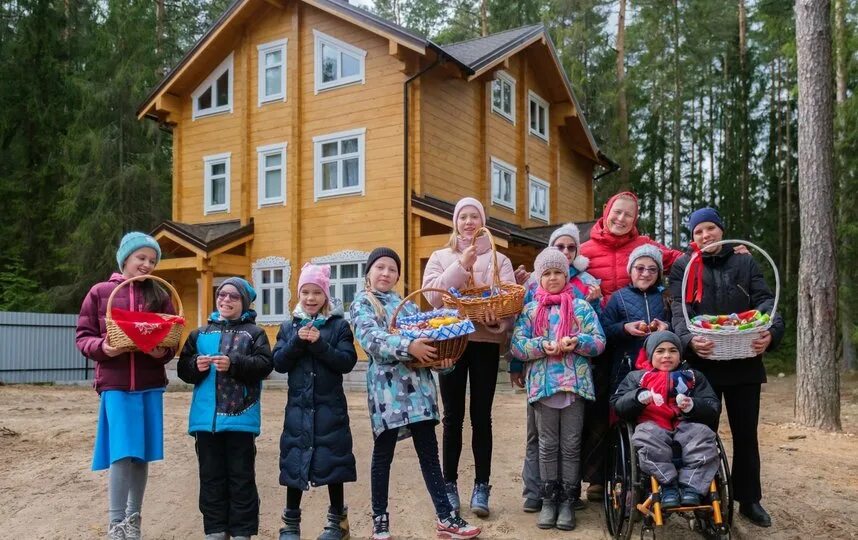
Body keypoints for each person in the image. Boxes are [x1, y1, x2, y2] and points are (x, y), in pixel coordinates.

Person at [351, 248, 481, 540]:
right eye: (380, 267)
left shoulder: (406, 305)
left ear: (398, 276)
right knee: (383, 454)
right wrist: (407, 347)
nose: (386, 273)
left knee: (428, 453)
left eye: (392, 269)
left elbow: (429, 344)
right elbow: (371, 339)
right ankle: (380, 522)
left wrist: (443, 364)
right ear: (369, 272)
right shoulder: (362, 303)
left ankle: (446, 518)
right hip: (387, 394)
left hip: (419, 392)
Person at [669, 207, 785, 528]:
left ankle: (749, 499)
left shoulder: (745, 261)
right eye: (698, 232)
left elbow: (766, 301)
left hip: (745, 362)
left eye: (710, 229)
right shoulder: (685, 266)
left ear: (721, 230)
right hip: (703, 365)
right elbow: (679, 312)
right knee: (701, 434)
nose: (706, 236)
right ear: (692, 238)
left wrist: (770, 333)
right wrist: (690, 342)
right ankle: (705, 499)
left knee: (746, 434)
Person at [577, 191, 684, 502]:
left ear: (635, 219)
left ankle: (636, 474)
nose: (621, 219)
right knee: (598, 410)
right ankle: (598, 478)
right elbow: (560, 268)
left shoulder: (644, 248)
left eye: (628, 215)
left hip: (637, 348)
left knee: (637, 406)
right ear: (606, 212)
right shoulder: (585, 250)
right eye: (617, 212)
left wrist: (712, 249)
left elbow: (680, 259)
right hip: (599, 337)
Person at [76, 232, 176, 540]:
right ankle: (115, 524)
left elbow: (171, 338)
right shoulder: (100, 292)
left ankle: (134, 520)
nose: (147, 265)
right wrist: (106, 348)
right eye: (141, 258)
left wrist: (162, 352)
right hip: (115, 385)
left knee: (141, 454)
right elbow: (83, 337)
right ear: (125, 259)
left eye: (152, 260)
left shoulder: (160, 294)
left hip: (149, 385)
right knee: (122, 452)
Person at [422, 197, 516, 517]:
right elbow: (434, 297)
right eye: (463, 216)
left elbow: (509, 305)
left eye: (474, 216)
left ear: (483, 221)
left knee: (481, 416)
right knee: (452, 417)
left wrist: (498, 322)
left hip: (485, 344)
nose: (469, 222)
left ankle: (481, 485)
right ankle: (449, 485)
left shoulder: (499, 260)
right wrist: (462, 263)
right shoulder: (440, 256)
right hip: (450, 342)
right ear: (455, 222)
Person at [511, 248, 605, 530]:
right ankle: (548, 499)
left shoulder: (580, 308)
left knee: (571, 445)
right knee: (548, 445)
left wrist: (577, 341)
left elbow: (599, 341)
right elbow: (517, 345)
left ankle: (568, 499)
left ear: (566, 275)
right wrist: (541, 346)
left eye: (558, 273)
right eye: (547, 273)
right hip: (544, 387)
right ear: (539, 278)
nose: (553, 278)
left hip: (574, 386)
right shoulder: (530, 311)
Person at [177, 277, 274, 540]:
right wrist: (194, 366)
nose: (226, 300)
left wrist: (233, 363)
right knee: (210, 478)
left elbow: (265, 365)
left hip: (241, 418)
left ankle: (242, 532)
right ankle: (215, 530)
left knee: (241, 478)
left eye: (233, 296)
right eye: (222, 295)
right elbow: (183, 368)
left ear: (243, 302)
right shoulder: (200, 334)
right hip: (205, 421)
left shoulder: (254, 333)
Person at [272, 263, 358, 540]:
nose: (310, 298)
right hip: (298, 409)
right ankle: (291, 524)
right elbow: (279, 363)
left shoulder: (338, 326)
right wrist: (297, 342)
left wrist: (320, 343)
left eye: (316, 293)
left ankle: (337, 522)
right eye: (305, 292)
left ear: (325, 296)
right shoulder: (288, 327)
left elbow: (347, 362)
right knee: (295, 462)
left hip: (330, 409)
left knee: (333, 463)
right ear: (298, 295)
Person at [610, 331, 721, 508]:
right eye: (660, 351)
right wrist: (637, 398)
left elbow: (713, 406)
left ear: (680, 355)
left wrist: (692, 405)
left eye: (673, 351)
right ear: (650, 355)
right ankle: (667, 485)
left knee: (704, 435)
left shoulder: (693, 376)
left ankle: (691, 487)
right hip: (653, 425)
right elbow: (617, 404)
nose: (667, 355)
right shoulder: (637, 377)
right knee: (646, 436)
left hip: (686, 424)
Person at [601, 244, 671, 393]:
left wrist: (667, 328)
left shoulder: (666, 297)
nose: (646, 274)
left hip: (662, 368)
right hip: (626, 367)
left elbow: (678, 326)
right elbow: (604, 330)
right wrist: (624, 328)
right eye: (640, 268)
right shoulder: (618, 297)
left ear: (659, 273)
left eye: (652, 269)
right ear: (630, 270)